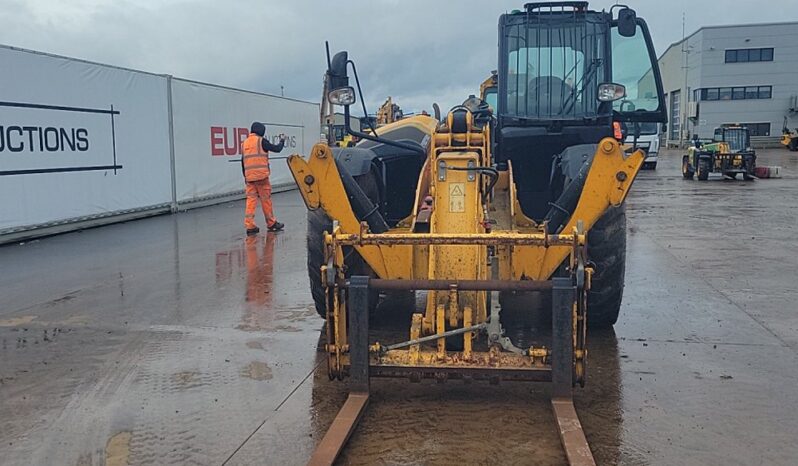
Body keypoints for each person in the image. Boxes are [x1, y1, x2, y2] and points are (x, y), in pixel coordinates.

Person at [241, 121, 285, 235]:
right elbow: (277, 149)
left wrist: (246, 176)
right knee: (266, 200)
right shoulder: (261, 141)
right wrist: (282, 141)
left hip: (250, 178)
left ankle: (250, 225)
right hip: (262, 177)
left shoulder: (244, 143)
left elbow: (243, 161)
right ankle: (271, 223)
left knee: (251, 201)